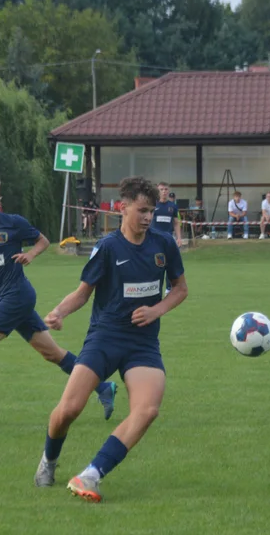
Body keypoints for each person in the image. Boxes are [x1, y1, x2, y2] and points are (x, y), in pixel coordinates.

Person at [35, 175, 188, 503]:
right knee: (69, 410)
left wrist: (155, 311)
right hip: (105, 338)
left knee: (146, 410)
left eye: (152, 211)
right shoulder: (107, 248)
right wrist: (59, 312)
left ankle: (91, 474)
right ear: (123, 208)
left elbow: (180, 289)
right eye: (142, 210)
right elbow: (82, 293)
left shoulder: (163, 245)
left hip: (143, 344)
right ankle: (48, 460)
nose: (148, 217)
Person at [0, 176, 118, 426]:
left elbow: (43, 240)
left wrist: (30, 254)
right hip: (11, 298)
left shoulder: (13, 223)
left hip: (17, 297)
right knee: (52, 353)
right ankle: (103, 387)